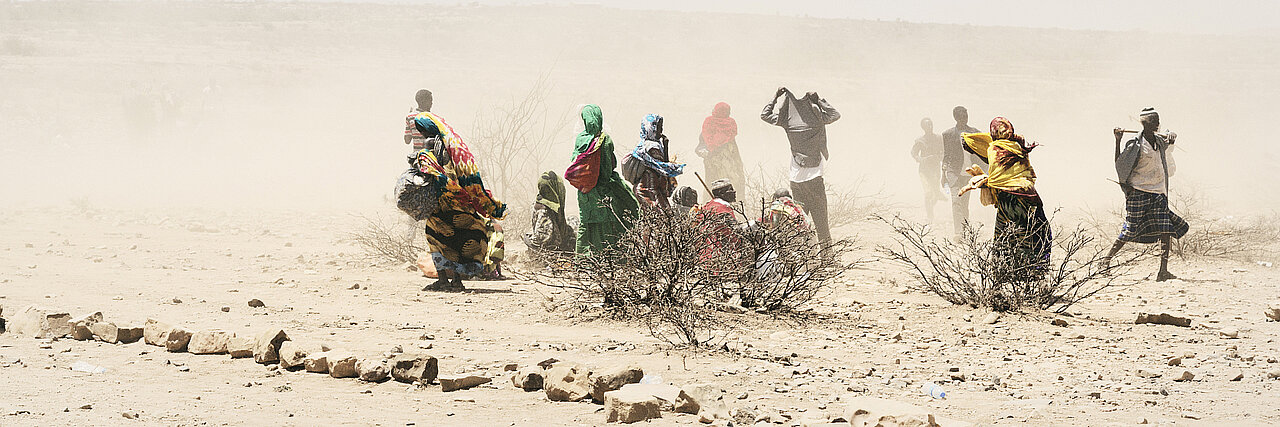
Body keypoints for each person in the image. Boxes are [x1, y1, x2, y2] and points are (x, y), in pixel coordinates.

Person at [411, 111, 507, 291]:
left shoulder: (429, 143)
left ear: (426, 129)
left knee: (436, 239)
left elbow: (427, 169)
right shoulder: (451, 145)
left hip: (440, 202)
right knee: (455, 240)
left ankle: (442, 280)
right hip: (458, 198)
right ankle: (456, 280)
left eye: (420, 129)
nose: (420, 133)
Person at [960, 117, 1052, 283]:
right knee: (1039, 234)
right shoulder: (1018, 147)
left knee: (1005, 238)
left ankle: (1001, 278)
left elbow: (997, 177)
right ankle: (1035, 276)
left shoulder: (995, 148)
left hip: (1010, 200)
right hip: (1030, 197)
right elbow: (1009, 174)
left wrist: (983, 181)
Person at [1104, 107, 1188, 281]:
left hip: (1158, 192)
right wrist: (1117, 141)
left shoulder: (1159, 141)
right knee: (1130, 229)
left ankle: (1163, 272)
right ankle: (1105, 260)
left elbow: (1170, 139)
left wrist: (1172, 135)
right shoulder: (1135, 144)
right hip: (1139, 192)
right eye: (1153, 122)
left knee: (1166, 230)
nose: (1157, 124)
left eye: (1157, 121)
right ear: (1145, 124)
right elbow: (1120, 165)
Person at [760, 87, 840, 244]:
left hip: (796, 183)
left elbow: (765, 115)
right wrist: (819, 100)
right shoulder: (817, 120)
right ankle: (827, 259)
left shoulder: (788, 122)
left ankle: (802, 261)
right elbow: (835, 115)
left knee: (799, 224)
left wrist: (775, 96)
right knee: (821, 224)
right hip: (815, 181)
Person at [565, 104, 640, 256]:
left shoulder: (580, 139)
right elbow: (608, 167)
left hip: (585, 191)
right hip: (602, 189)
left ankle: (583, 260)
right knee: (606, 223)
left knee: (586, 223)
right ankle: (606, 258)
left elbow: (574, 161)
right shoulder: (605, 140)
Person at [624, 114, 685, 209]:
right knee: (664, 218)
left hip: (644, 189)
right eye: (658, 127)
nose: (661, 131)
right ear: (650, 128)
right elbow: (662, 170)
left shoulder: (642, 145)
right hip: (648, 190)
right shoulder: (653, 147)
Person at [942, 106, 984, 239]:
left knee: (964, 203)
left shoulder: (975, 133)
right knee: (955, 200)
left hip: (969, 173)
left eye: (966, 116)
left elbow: (983, 151)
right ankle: (958, 232)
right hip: (953, 172)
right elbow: (946, 156)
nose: (964, 119)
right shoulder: (948, 135)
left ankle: (965, 229)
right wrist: (943, 175)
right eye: (962, 117)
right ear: (956, 118)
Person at [697, 102, 746, 194]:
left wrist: (708, 152)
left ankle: (713, 206)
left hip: (715, 163)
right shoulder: (729, 125)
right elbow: (700, 147)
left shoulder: (710, 124)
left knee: (713, 186)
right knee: (730, 185)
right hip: (723, 164)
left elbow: (700, 146)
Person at [523, 171, 576, 255]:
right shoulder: (545, 211)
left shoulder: (541, 202)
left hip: (546, 244)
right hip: (549, 250)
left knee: (573, 220)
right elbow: (542, 239)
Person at [911, 117, 945, 222]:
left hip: (935, 168)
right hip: (924, 170)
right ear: (923, 128)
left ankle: (933, 204)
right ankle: (930, 215)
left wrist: (939, 157)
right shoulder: (920, 140)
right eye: (927, 125)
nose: (930, 127)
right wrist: (920, 159)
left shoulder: (939, 138)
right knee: (928, 192)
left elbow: (943, 151)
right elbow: (914, 153)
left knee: (935, 191)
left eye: (931, 124)